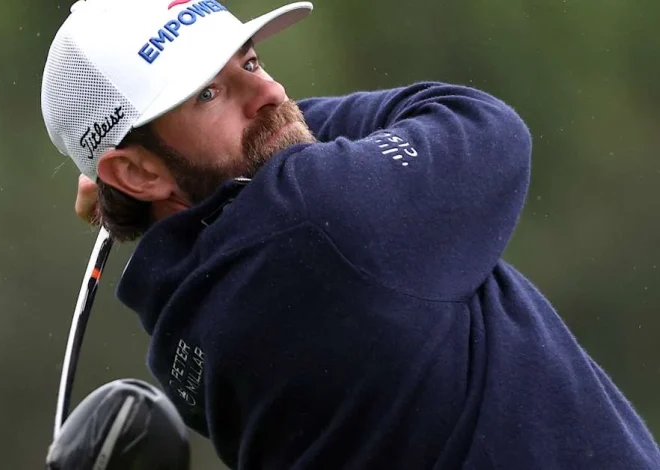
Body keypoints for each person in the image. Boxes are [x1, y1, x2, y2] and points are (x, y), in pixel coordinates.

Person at [41, 0, 660, 468]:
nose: (271, 91)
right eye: (209, 93)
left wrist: (139, 197)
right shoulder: (321, 221)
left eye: (250, 62)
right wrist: (279, 140)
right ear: (137, 171)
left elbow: (256, 178)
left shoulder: (181, 334)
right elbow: (484, 125)